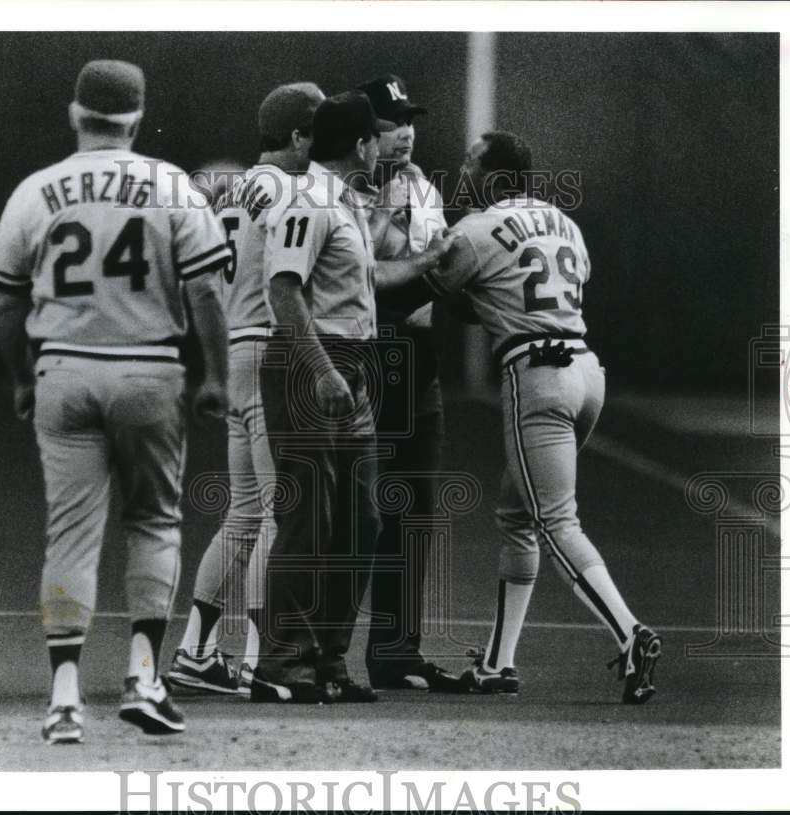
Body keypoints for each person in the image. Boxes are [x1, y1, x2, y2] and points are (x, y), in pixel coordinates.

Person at [0, 59, 230, 743]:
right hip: (148, 369)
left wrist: (22, 379)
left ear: (75, 114)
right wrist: (216, 374)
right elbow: (207, 289)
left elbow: (7, 300)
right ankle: (144, 677)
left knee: (70, 534)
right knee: (155, 522)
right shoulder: (172, 184)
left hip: (64, 368)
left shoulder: (37, 190)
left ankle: (64, 695)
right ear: (139, 115)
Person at [420, 131, 662, 703]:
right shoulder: (566, 224)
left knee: (556, 521)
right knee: (518, 515)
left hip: (538, 377)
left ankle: (630, 632)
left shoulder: (476, 229)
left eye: (472, 162)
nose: (463, 170)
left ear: (497, 176)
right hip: (586, 373)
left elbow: (436, 291)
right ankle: (499, 665)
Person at [251, 91, 455, 703]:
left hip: (354, 365)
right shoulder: (308, 200)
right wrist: (321, 369)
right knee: (309, 516)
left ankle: (329, 662)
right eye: (375, 137)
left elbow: (362, 280)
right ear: (361, 145)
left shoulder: (340, 202)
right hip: (312, 364)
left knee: (360, 520)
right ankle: (282, 663)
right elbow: (285, 291)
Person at [168, 82, 325, 696]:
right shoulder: (293, 190)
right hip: (266, 349)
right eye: (318, 133)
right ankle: (259, 658)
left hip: (235, 347)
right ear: (297, 136)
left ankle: (195, 651)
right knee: (276, 516)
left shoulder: (231, 191)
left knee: (244, 514)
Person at [355, 73, 465, 692]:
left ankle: (396, 651)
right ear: (365, 133)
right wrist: (382, 213)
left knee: (414, 506)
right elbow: (355, 273)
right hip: (370, 349)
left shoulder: (423, 185)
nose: (405, 133)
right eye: (391, 123)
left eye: (409, 121)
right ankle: (313, 651)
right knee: (353, 511)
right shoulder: (343, 189)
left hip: (418, 351)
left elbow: (437, 261)